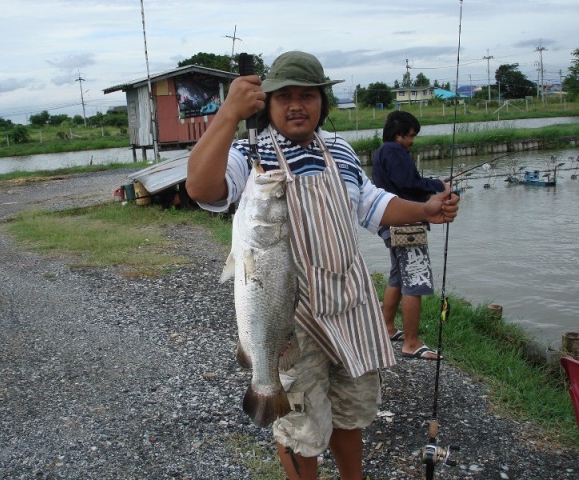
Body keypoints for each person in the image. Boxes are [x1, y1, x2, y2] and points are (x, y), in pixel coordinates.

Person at [186, 51, 459, 480]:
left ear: (322, 102)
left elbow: (373, 205)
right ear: (268, 104)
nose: (297, 105)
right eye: (285, 97)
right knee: (301, 429)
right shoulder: (249, 153)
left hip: (350, 309)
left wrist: (425, 209)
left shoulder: (340, 150)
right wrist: (227, 116)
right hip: (290, 323)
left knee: (350, 416)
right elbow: (203, 188)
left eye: (308, 96)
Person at [371, 111, 446, 361]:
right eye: (411, 136)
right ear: (398, 134)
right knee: (415, 280)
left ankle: (387, 327)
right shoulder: (393, 150)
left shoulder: (383, 152)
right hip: (406, 225)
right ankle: (412, 343)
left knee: (398, 277)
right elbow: (408, 183)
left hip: (390, 223)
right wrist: (437, 186)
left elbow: (404, 181)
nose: (412, 141)